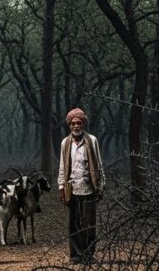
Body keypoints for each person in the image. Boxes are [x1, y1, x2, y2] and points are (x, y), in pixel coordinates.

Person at [58, 107, 105, 265]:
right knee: (73, 224)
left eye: (79, 123)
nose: (76, 126)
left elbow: (99, 165)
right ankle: (76, 255)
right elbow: (62, 167)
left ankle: (88, 254)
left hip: (89, 188)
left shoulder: (92, 140)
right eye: (73, 123)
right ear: (69, 125)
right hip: (71, 189)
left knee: (89, 224)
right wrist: (61, 187)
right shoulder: (65, 143)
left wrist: (101, 186)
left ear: (83, 124)